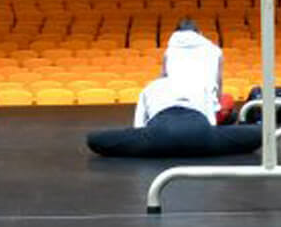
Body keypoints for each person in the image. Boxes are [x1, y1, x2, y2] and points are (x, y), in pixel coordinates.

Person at [86, 20, 260, 158]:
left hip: (158, 135)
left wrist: (142, 138)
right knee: (256, 134)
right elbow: (210, 117)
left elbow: (138, 124)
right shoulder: (207, 68)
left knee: (95, 139)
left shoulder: (153, 85)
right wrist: (210, 139)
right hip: (198, 132)